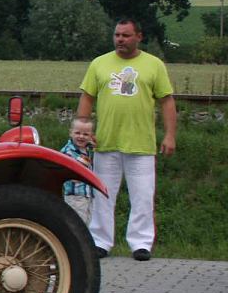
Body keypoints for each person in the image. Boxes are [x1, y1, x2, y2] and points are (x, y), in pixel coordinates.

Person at [77, 16, 177, 261]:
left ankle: (140, 243)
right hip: (106, 142)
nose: (120, 39)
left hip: (141, 143)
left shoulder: (154, 65)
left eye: (125, 35)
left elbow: (166, 101)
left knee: (142, 196)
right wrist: (83, 130)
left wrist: (170, 135)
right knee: (103, 194)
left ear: (138, 37)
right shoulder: (99, 64)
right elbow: (87, 98)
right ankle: (100, 241)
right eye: (117, 35)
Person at [60, 117, 95, 224]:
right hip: (75, 196)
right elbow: (66, 173)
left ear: (91, 136)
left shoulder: (88, 149)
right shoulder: (68, 151)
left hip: (88, 195)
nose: (81, 136)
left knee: (87, 222)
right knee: (77, 224)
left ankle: (84, 240)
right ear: (71, 133)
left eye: (85, 134)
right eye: (77, 133)